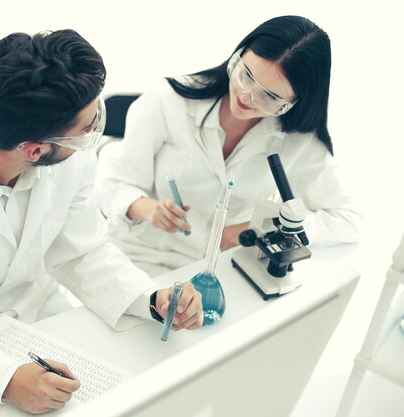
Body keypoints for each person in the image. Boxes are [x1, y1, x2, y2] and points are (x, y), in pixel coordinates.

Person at [0, 29, 204, 417]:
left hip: (41, 320)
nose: (94, 134)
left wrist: (150, 299)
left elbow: (82, 252)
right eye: (87, 130)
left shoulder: (70, 159)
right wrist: (5, 380)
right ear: (35, 150)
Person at [98, 15, 363, 277]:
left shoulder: (299, 141)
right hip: (137, 258)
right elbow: (113, 185)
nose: (247, 96)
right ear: (238, 55)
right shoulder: (169, 100)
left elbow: (348, 220)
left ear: (294, 102)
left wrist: (261, 229)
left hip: (220, 269)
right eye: (246, 75)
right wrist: (149, 209)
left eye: (269, 95)